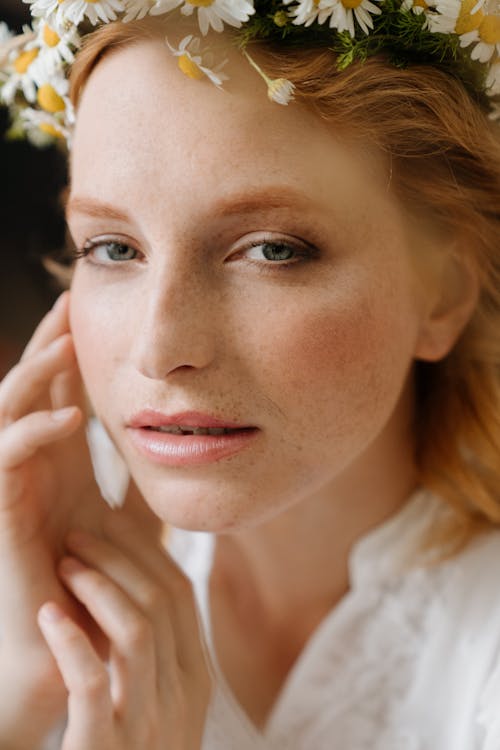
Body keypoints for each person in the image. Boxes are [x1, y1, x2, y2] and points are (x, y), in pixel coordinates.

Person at [0, 2, 499, 748]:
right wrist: (20, 701)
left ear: (445, 290)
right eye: (112, 247)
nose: (158, 346)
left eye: (271, 250)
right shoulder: (24, 558)